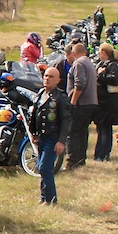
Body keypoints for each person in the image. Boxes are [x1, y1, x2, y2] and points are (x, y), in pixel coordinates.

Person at [29, 67, 71, 205]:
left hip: (53, 137)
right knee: (42, 166)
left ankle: (51, 199)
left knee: (45, 167)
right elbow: (35, 114)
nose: (47, 78)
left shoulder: (61, 97)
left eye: (51, 76)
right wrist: (34, 132)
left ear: (58, 80)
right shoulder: (40, 94)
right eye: (46, 76)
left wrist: (61, 141)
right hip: (41, 137)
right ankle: (44, 196)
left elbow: (66, 120)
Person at [65, 42, 97, 170]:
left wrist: (73, 102)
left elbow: (80, 84)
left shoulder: (78, 63)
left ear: (73, 53)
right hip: (91, 102)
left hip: (81, 103)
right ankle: (81, 159)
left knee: (73, 132)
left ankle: (72, 161)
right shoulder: (89, 63)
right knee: (83, 132)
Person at [93, 43, 118, 162]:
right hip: (102, 102)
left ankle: (103, 154)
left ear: (104, 53)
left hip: (108, 103)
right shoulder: (102, 64)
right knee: (101, 129)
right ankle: (100, 153)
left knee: (105, 128)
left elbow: (115, 80)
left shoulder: (113, 65)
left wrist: (101, 76)